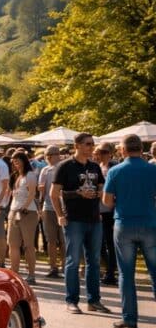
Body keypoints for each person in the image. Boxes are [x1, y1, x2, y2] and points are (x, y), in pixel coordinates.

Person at [101, 133, 156, 328]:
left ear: (123, 150)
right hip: (150, 223)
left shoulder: (116, 171)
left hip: (123, 223)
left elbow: (106, 202)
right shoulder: (153, 169)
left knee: (126, 273)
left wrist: (121, 202)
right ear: (142, 149)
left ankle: (129, 319)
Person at [52, 132, 110, 315]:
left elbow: (101, 185)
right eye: (87, 144)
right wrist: (60, 214)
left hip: (94, 219)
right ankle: (72, 300)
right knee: (73, 261)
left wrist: (100, 193)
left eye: (92, 144)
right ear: (76, 145)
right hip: (74, 219)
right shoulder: (65, 166)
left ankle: (94, 300)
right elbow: (55, 194)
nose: (91, 147)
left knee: (94, 261)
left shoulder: (94, 166)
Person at [6, 151, 39, 283]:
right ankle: (15, 273)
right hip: (13, 211)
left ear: (24, 160)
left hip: (28, 212)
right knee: (12, 244)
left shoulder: (30, 175)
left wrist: (24, 207)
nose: (15, 162)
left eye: (18, 159)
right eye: (13, 160)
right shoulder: (14, 176)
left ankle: (31, 275)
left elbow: (32, 193)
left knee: (28, 245)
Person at [37, 145, 66, 278]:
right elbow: (41, 191)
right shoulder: (44, 170)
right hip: (48, 207)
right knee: (51, 240)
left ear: (58, 155)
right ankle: (53, 267)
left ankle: (65, 266)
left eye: (51, 154)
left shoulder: (64, 167)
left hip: (63, 207)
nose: (48, 157)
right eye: (46, 155)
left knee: (64, 239)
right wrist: (40, 206)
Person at [95, 142, 119, 286]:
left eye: (103, 152)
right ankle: (107, 269)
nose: (100, 154)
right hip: (99, 210)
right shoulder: (98, 167)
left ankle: (111, 272)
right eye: (98, 152)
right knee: (100, 243)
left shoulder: (113, 167)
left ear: (110, 153)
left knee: (110, 242)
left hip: (110, 210)